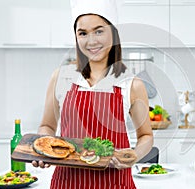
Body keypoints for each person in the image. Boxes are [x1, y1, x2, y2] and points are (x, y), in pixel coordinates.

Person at [32, 0, 153, 188]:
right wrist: (43, 147)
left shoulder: (131, 84)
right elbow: (47, 125)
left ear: (113, 32)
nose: (91, 41)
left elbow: (146, 135)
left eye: (99, 31)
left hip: (115, 181)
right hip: (68, 182)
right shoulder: (61, 77)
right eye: (83, 33)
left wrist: (135, 155)